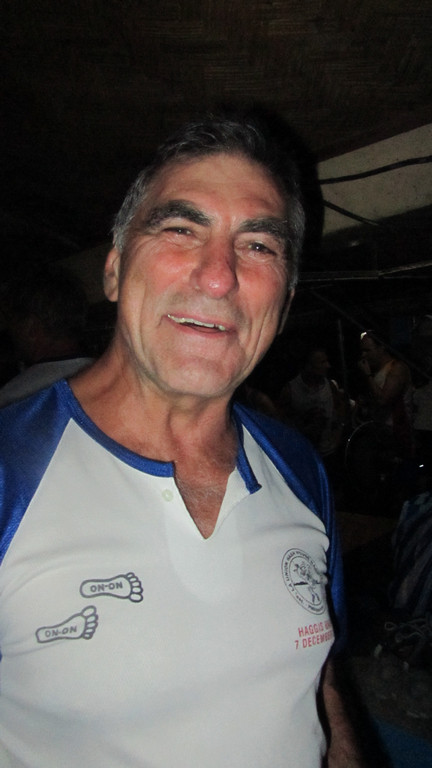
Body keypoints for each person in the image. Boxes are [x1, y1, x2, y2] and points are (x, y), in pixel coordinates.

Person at [0, 115, 365, 767]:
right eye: (180, 230)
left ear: (283, 305)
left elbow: (320, 683)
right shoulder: (9, 471)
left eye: (259, 246)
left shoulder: (298, 467)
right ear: (114, 271)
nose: (218, 276)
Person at [0, 267, 93, 407]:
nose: (11, 333)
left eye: (12, 324)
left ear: (31, 327)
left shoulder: (13, 398)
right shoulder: (112, 376)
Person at [279, 346, 347, 462]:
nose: (328, 366)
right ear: (309, 366)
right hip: (304, 453)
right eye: (322, 362)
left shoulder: (329, 386)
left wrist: (338, 434)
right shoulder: (291, 390)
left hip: (329, 451)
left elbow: (341, 408)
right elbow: (281, 419)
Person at [357, 330, 413, 457]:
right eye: (362, 351)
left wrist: (368, 375)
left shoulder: (396, 368)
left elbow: (383, 400)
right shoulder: (376, 371)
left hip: (397, 433)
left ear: (381, 348)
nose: (364, 355)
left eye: (368, 350)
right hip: (379, 434)